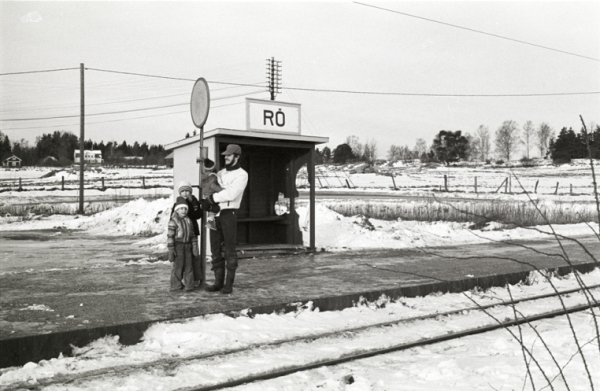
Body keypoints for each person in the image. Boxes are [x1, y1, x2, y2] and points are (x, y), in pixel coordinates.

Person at [204, 144, 248, 294]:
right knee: (215, 248)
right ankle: (217, 282)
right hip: (213, 213)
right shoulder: (221, 172)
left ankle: (228, 284)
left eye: (229, 155)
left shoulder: (242, 174)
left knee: (229, 249)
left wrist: (211, 198)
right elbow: (210, 185)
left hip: (229, 213)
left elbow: (231, 194)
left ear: (237, 157)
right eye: (225, 155)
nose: (226, 157)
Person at [171, 181, 204, 287]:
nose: (185, 193)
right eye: (183, 191)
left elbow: (199, 215)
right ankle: (179, 281)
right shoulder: (177, 204)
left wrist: (193, 204)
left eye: (187, 191)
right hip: (180, 236)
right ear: (180, 192)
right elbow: (172, 218)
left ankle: (195, 279)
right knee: (181, 260)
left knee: (194, 257)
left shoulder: (194, 201)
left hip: (192, 232)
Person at [167, 197, 199, 291]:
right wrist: (171, 249)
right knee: (178, 266)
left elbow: (193, 234)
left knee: (189, 266)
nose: (184, 211)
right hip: (178, 246)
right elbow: (170, 236)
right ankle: (176, 285)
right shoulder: (173, 221)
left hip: (188, 246)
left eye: (185, 209)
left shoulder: (189, 220)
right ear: (177, 210)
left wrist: (194, 245)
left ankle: (189, 285)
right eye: (181, 208)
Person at [200, 158, 223, 231]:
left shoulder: (203, 176)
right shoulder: (212, 176)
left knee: (213, 208)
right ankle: (210, 221)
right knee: (216, 208)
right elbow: (213, 186)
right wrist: (222, 190)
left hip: (206, 196)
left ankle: (211, 221)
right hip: (211, 195)